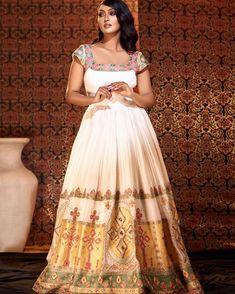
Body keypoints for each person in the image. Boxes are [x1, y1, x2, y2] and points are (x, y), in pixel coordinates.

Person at [33, 0, 204, 293]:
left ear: (123, 18)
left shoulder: (136, 58)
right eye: (100, 14)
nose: (105, 18)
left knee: (133, 190)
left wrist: (129, 93)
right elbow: (70, 94)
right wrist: (94, 98)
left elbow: (148, 99)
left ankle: (143, 264)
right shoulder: (84, 53)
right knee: (98, 189)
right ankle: (90, 265)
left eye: (111, 13)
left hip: (132, 128)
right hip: (98, 126)